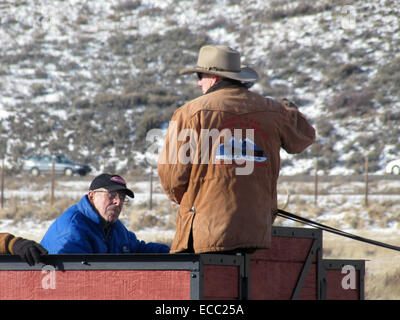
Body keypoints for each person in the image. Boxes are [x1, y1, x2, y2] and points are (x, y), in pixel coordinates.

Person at [157, 45, 315, 254]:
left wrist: (193, 200)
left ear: (213, 77)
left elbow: (171, 178)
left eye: (200, 75)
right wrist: (291, 110)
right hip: (256, 233)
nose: (198, 82)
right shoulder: (274, 110)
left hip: (206, 233)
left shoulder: (189, 113)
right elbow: (303, 139)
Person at [40, 173, 170, 254]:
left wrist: (175, 252)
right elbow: (75, 280)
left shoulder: (114, 227)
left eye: (122, 198)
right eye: (111, 195)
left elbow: (138, 250)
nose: (118, 202)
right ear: (92, 196)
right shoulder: (73, 230)